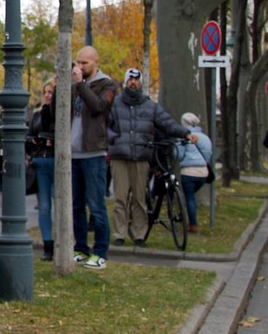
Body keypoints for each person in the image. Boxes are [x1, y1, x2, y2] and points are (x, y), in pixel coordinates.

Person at [107, 68, 192, 250]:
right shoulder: (114, 104)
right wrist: (113, 139)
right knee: (120, 198)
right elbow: (105, 125)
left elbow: (167, 123)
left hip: (141, 156)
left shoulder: (150, 106)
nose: (133, 83)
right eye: (130, 79)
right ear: (125, 82)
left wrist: (185, 133)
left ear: (141, 83)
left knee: (140, 198)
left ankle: (139, 234)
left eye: (137, 80)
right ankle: (119, 234)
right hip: (120, 156)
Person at [70, 46, 118, 269]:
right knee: (76, 205)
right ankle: (80, 247)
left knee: (96, 205)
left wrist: (80, 84)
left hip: (94, 153)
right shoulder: (74, 83)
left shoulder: (107, 84)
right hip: (74, 153)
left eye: (84, 63)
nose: (79, 66)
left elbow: (99, 107)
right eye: (77, 62)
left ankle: (100, 252)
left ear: (95, 62)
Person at [27, 81, 57, 261]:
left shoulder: (60, 115)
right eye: (45, 92)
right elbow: (28, 136)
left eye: (51, 92)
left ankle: (61, 240)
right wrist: (35, 141)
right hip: (40, 162)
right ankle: (48, 244)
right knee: (44, 206)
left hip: (56, 162)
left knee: (59, 202)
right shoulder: (36, 116)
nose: (47, 95)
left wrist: (51, 140)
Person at [176, 112, 213, 233]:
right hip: (203, 172)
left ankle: (192, 224)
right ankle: (184, 214)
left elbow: (178, 155)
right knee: (190, 196)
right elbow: (208, 154)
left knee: (189, 197)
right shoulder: (205, 137)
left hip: (188, 172)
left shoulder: (183, 137)